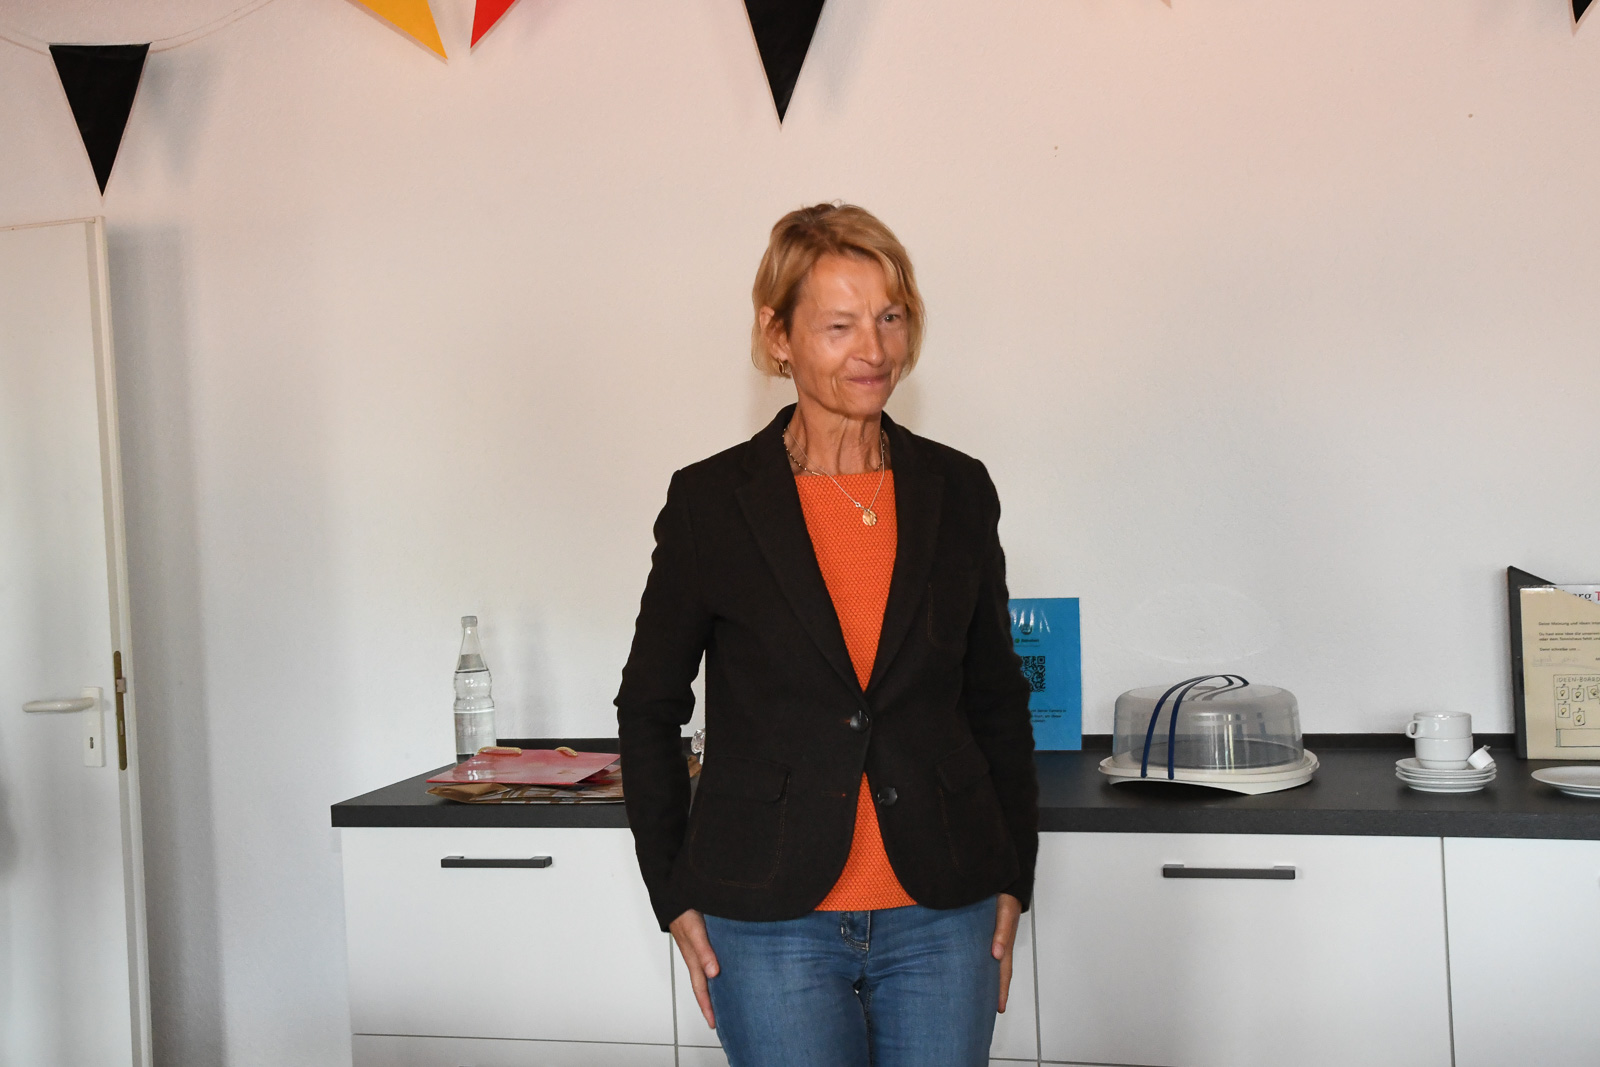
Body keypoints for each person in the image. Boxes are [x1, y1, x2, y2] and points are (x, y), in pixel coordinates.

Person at [616, 203, 1037, 1067]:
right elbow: (648, 706)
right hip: (768, 921)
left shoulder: (959, 489)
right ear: (778, 335)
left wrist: (1013, 873)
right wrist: (672, 890)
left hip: (943, 910)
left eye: (890, 317)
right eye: (840, 325)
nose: (874, 350)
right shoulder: (710, 503)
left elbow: (996, 698)